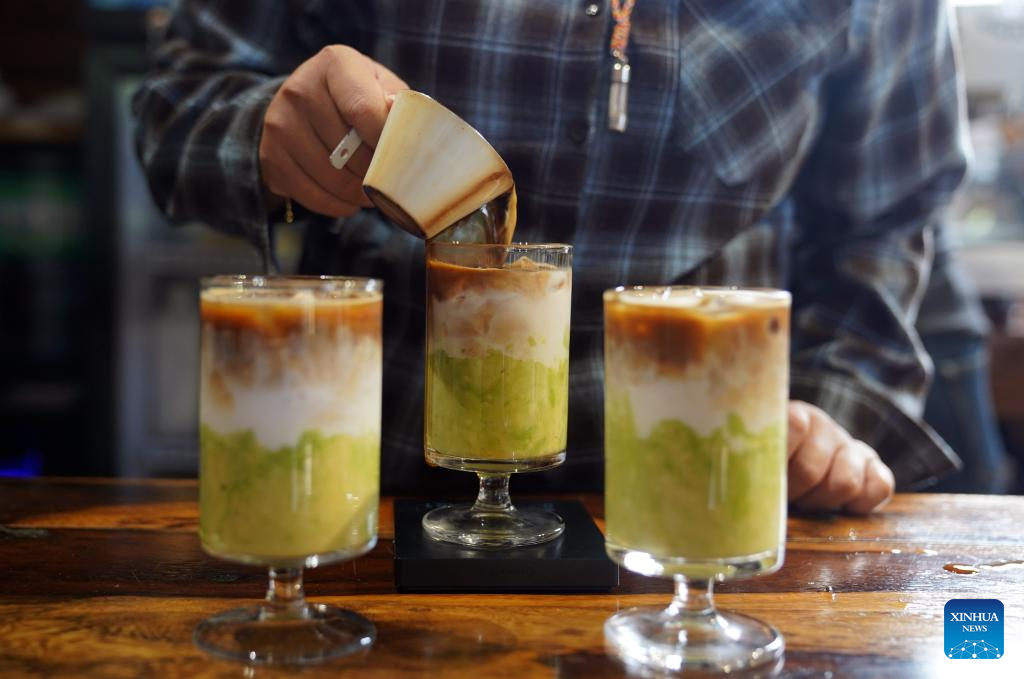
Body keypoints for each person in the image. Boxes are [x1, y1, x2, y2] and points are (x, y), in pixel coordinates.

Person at [133, 0, 972, 512]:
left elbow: (885, 223)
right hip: (366, 513)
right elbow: (174, 110)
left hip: (710, 512)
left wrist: (830, 422)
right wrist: (265, 131)